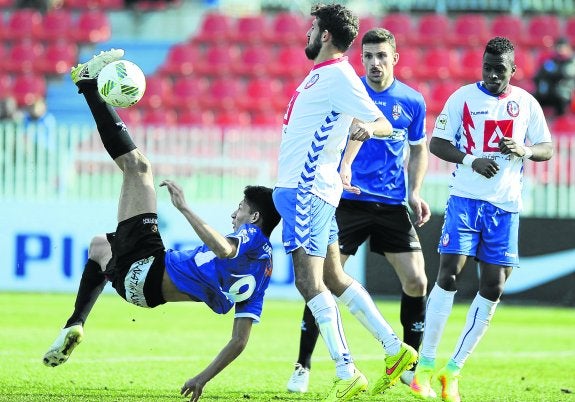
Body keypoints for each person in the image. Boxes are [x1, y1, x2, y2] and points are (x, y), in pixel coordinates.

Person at [42, 49, 281, 402]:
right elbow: (239, 340)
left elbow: (225, 248)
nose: (235, 214)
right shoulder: (264, 270)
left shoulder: (251, 238)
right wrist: (202, 377)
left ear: (255, 217)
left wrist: (185, 209)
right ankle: (75, 322)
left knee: (138, 167)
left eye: (241, 208)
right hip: (140, 292)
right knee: (98, 247)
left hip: (150, 265)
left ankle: (88, 84)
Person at [273, 5, 418, 401]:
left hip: (307, 192)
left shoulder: (339, 76)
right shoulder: (321, 77)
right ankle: (395, 350)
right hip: (309, 190)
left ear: (324, 35)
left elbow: (385, 123)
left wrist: (368, 128)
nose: (307, 32)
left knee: (308, 281)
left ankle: (346, 368)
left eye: (312, 27)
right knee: (335, 277)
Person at [410, 37, 553, 402]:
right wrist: (471, 160)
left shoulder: (526, 103)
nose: (491, 75)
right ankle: (424, 367)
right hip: (465, 201)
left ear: (513, 71)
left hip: (505, 207)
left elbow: (547, 148)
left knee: (493, 286)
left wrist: (525, 149)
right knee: (448, 274)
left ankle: (452, 370)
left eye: (499, 69)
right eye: (487, 67)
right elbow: (437, 143)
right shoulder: (462, 98)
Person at [533, 36, 575, 116]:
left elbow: (566, 73)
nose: (560, 50)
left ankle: (562, 123)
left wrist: (551, 74)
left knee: (561, 99)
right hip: (550, 92)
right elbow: (540, 74)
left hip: (565, 93)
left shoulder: (572, 61)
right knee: (534, 98)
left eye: (563, 47)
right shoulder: (552, 61)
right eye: (558, 47)